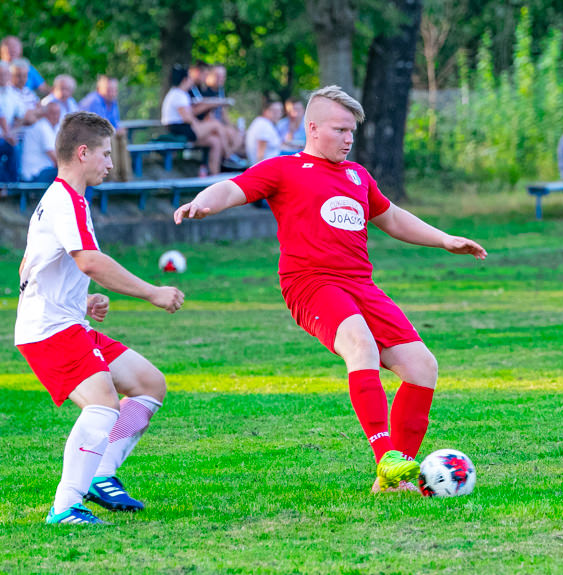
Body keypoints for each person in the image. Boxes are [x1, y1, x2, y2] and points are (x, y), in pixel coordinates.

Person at [174, 86, 487, 493]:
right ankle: (386, 458)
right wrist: (203, 201)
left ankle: (393, 482)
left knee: (422, 366)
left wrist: (445, 239)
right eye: (340, 130)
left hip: (361, 286)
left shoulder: (358, 176)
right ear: (313, 128)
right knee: (361, 345)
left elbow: (392, 219)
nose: (348, 139)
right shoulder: (284, 169)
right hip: (311, 284)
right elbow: (232, 189)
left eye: (352, 131)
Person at [15, 111, 185, 525]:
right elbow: (90, 260)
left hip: (67, 321)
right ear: (83, 152)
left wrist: (81, 299)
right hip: (50, 331)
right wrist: (153, 292)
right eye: (106, 154)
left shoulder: (66, 200)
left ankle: (100, 475)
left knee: (148, 384)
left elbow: (29, 268)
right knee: (103, 404)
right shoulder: (64, 200)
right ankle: (65, 506)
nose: (111, 163)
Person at [160, 65, 228, 175]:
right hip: (180, 130)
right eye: (189, 79)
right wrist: (199, 124)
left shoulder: (179, 94)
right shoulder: (178, 95)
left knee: (215, 142)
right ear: (184, 80)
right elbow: (187, 117)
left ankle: (214, 174)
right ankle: (229, 154)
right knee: (215, 124)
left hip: (183, 129)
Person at [79, 76, 131, 182]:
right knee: (110, 139)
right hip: (84, 137)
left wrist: (119, 130)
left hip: (101, 134)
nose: (112, 93)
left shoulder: (112, 101)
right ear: (99, 89)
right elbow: (99, 126)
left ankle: (125, 177)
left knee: (122, 139)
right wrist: (116, 131)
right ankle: (111, 177)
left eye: (114, 90)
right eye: (108, 90)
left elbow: (115, 123)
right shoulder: (93, 101)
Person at [20, 101, 60, 182]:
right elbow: (55, 158)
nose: (56, 116)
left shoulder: (54, 128)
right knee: (77, 174)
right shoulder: (43, 127)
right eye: (52, 113)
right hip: (35, 174)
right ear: (45, 114)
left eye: (58, 113)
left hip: (45, 172)